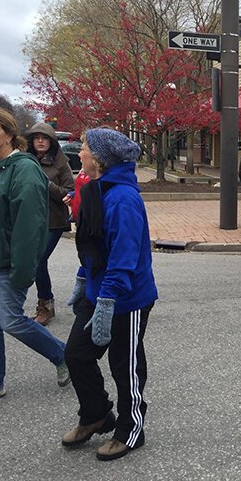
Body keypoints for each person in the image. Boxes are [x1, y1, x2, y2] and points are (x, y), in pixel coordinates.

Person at [0, 108, 69, 406]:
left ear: (10, 134)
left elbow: (30, 224)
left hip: (7, 264)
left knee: (11, 321)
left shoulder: (23, 168)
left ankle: (65, 355)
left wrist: (24, 269)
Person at [61, 128, 157, 461]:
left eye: (85, 148)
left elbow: (124, 257)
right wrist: (83, 277)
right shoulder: (95, 190)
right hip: (98, 292)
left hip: (125, 298)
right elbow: (92, 243)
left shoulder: (123, 198)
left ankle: (131, 430)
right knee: (76, 355)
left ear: (100, 158)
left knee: (124, 366)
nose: (81, 153)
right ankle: (96, 414)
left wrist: (107, 300)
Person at [24, 122, 75, 326]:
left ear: (51, 141)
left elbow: (68, 191)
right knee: (32, 261)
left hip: (53, 220)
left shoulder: (60, 162)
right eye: (36, 138)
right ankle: (43, 304)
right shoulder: (26, 160)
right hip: (30, 219)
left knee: (39, 260)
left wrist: (46, 185)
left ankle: (46, 305)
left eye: (44, 138)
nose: (40, 141)